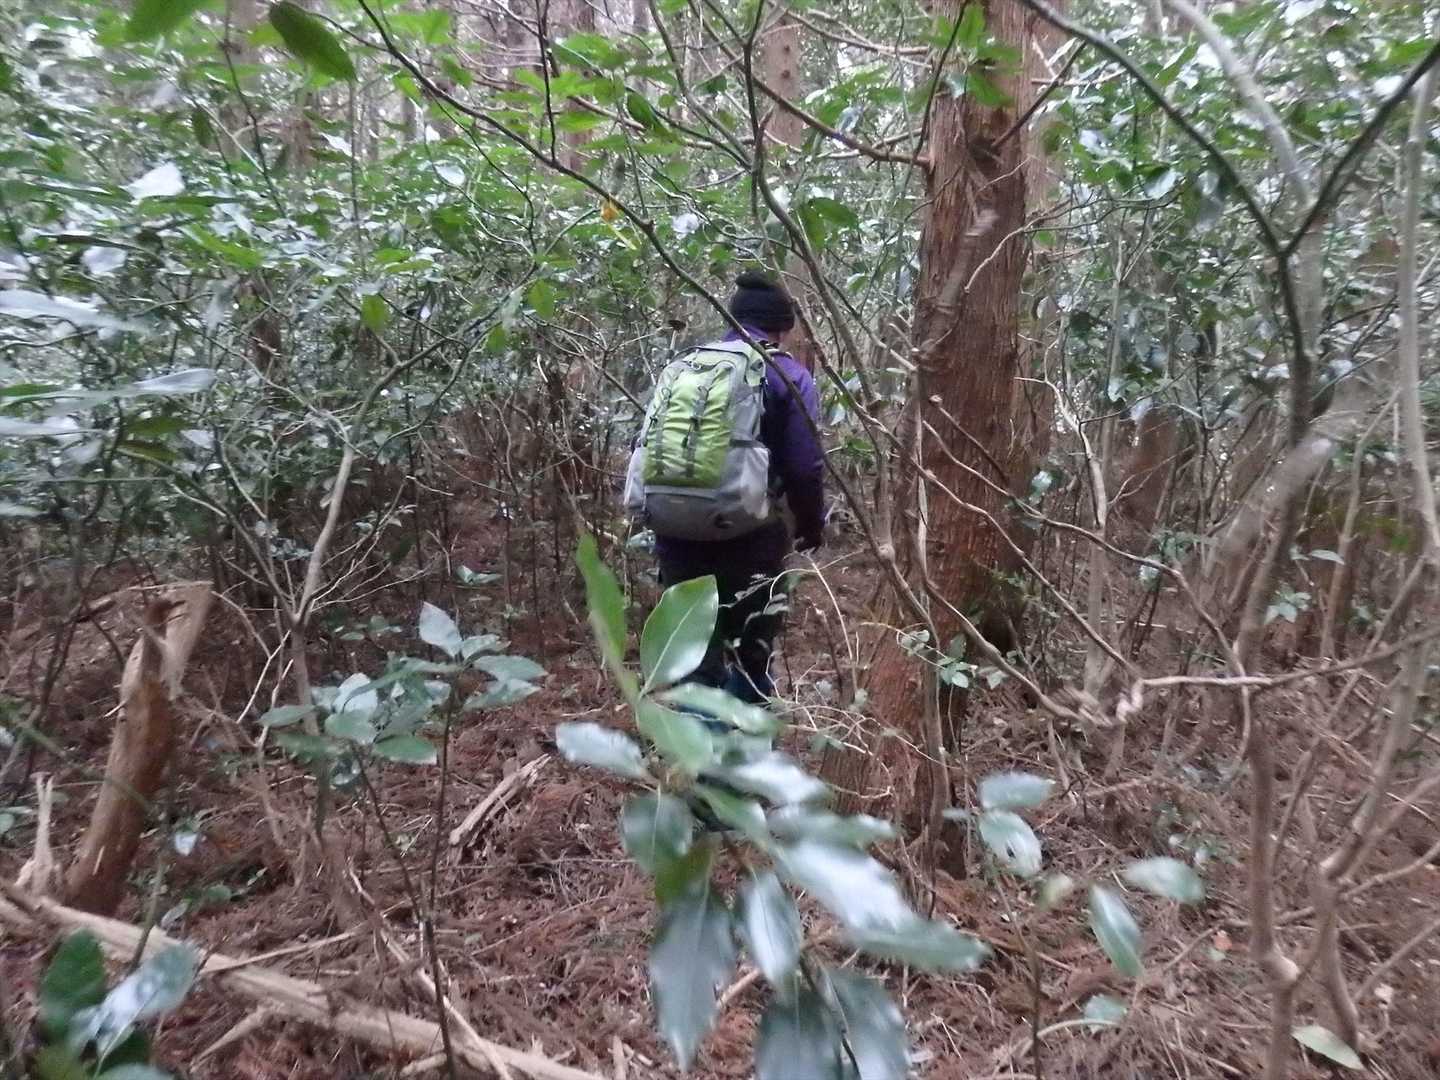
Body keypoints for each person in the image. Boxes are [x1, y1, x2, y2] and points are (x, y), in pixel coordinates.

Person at [650, 271, 826, 704]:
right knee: (751, 655)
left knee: (694, 656)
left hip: (675, 532)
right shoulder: (786, 374)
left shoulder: (685, 367)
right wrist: (810, 525)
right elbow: (804, 467)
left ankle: (695, 741)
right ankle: (744, 742)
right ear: (781, 327)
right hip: (750, 537)